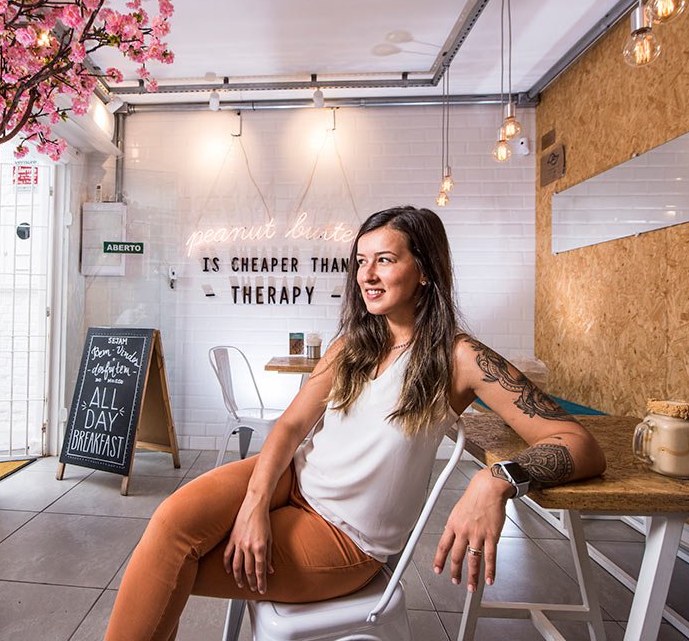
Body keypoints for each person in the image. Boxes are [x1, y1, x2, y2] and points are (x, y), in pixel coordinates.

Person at [105, 205, 605, 641]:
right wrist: (255, 504)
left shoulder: (459, 358)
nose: (367, 274)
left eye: (385, 259)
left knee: (170, 564)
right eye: (361, 261)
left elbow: (577, 443)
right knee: (169, 526)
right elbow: (289, 427)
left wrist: (497, 480)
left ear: (425, 270)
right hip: (290, 482)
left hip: (345, 537)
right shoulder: (352, 345)